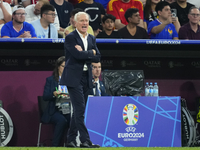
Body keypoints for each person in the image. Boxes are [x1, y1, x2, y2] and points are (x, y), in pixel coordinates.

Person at [60, 12, 101, 148]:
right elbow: (77, 55)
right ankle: (85, 141)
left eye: (86, 21)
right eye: (82, 21)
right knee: (80, 109)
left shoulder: (91, 38)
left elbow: (98, 57)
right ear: (75, 23)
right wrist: (90, 52)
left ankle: (71, 140)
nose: (85, 23)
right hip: (73, 78)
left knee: (78, 111)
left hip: (86, 77)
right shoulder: (70, 37)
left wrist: (85, 52)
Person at [42, 56, 71, 146]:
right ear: (58, 67)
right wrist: (53, 94)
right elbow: (45, 97)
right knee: (61, 120)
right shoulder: (50, 80)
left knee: (75, 120)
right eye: (63, 66)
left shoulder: (71, 81)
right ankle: (55, 145)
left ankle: (71, 144)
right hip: (54, 111)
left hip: (68, 109)